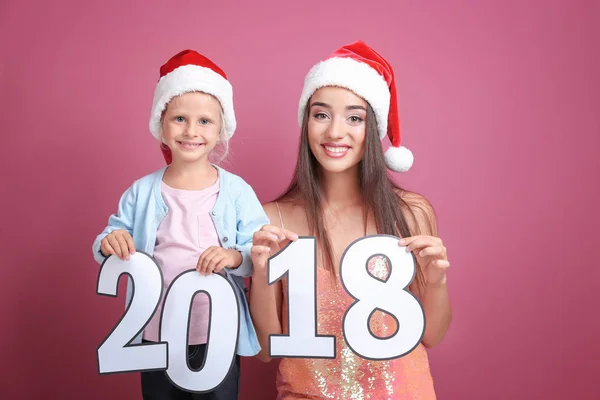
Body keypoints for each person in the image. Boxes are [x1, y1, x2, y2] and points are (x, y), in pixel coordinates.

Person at [249, 41, 452, 399]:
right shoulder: (273, 218)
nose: (335, 132)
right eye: (321, 114)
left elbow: (431, 335)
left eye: (354, 118)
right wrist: (262, 273)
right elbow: (266, 349)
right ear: (306, 121)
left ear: (372, 129)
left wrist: (435, 282)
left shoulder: (410, 212)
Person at [92, 49, 268, 400]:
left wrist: (234, 257)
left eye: (204, 121)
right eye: (179, 119)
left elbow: (259, 248)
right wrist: (111, 242)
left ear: (221, 131)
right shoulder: (141, 192)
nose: (191, 131)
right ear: (161, 124)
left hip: (217, 331)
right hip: (156, 332)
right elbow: (108, 238)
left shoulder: (235, 191)